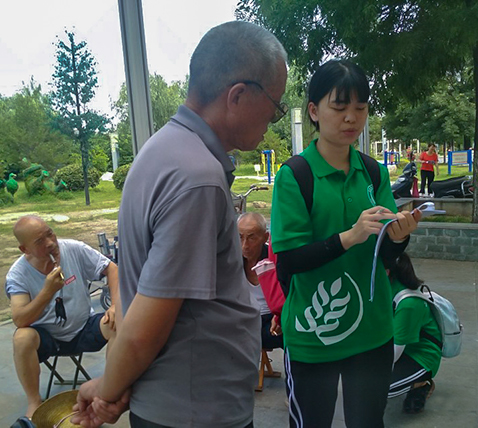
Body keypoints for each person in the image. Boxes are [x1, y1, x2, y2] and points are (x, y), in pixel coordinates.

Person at [72, 21, 288, 428]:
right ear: (238, 96)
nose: (274, 119)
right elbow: (146, 325)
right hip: (197, 410)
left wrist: (116, 384)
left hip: (180, 402)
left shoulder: (162, 150)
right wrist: (107, 389)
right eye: (275, 105)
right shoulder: (197, 178)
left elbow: (144, 293)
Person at [270, 59, 421, 428]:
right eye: (339, 107)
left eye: (360, 108)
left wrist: (398, 237)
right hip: (314, 332)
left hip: (372, 331)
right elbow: (289, 260)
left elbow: (384, 255)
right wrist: (349, 237)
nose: (351, 118)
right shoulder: (295, 176)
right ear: (314, 111)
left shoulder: (373, 172)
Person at [4, 215, 118, 418]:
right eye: (40, 241)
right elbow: (20, 319)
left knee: (120, 322)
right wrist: (47, 291)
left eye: (50, 234)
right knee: (22, 337)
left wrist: (116, 305)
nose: (50, 243)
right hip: (48, 339)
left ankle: (110, 389)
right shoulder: (18, 274)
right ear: (25, 249)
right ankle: (34, 402)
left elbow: (112, 268)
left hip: (85, 327)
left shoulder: (73, 249)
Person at [385, 252, 441, 414]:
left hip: (420, 356)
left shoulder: (408, 304)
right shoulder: (387, 289)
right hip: (400, 347)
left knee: (373, 388)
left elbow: (394, 352)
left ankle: (421, 383)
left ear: (386, 272)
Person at [238, 212, 284, 349]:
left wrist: (280, 317)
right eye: (240, 237)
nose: (245, 245)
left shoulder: (276, 261)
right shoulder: (231, 262)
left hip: (272, 318)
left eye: (252, 238)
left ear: (265, 237)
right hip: (244, 319)